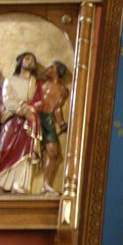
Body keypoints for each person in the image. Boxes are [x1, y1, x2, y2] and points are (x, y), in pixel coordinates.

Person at [0, 51, 42, 194]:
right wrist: (22, 109)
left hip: (28, 122)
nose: (29, 62)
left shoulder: (34, 82)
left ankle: (18, 183)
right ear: (20, 61)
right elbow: (7, 100)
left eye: (32, 60)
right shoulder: (10, 80)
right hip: (12, 119)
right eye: (27, 58)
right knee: (4, 148)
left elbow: (39, 100)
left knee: (25, 153)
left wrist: (30, 109)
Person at [39, 61, 70, 194]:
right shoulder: (39, 85)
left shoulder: (62, 90)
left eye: (51, 67)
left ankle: (46, 184)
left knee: (53, 153)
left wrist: (61, 122)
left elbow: (57, 109)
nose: (47, 69)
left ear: (58, 71)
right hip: (33, 118)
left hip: (47, 120)